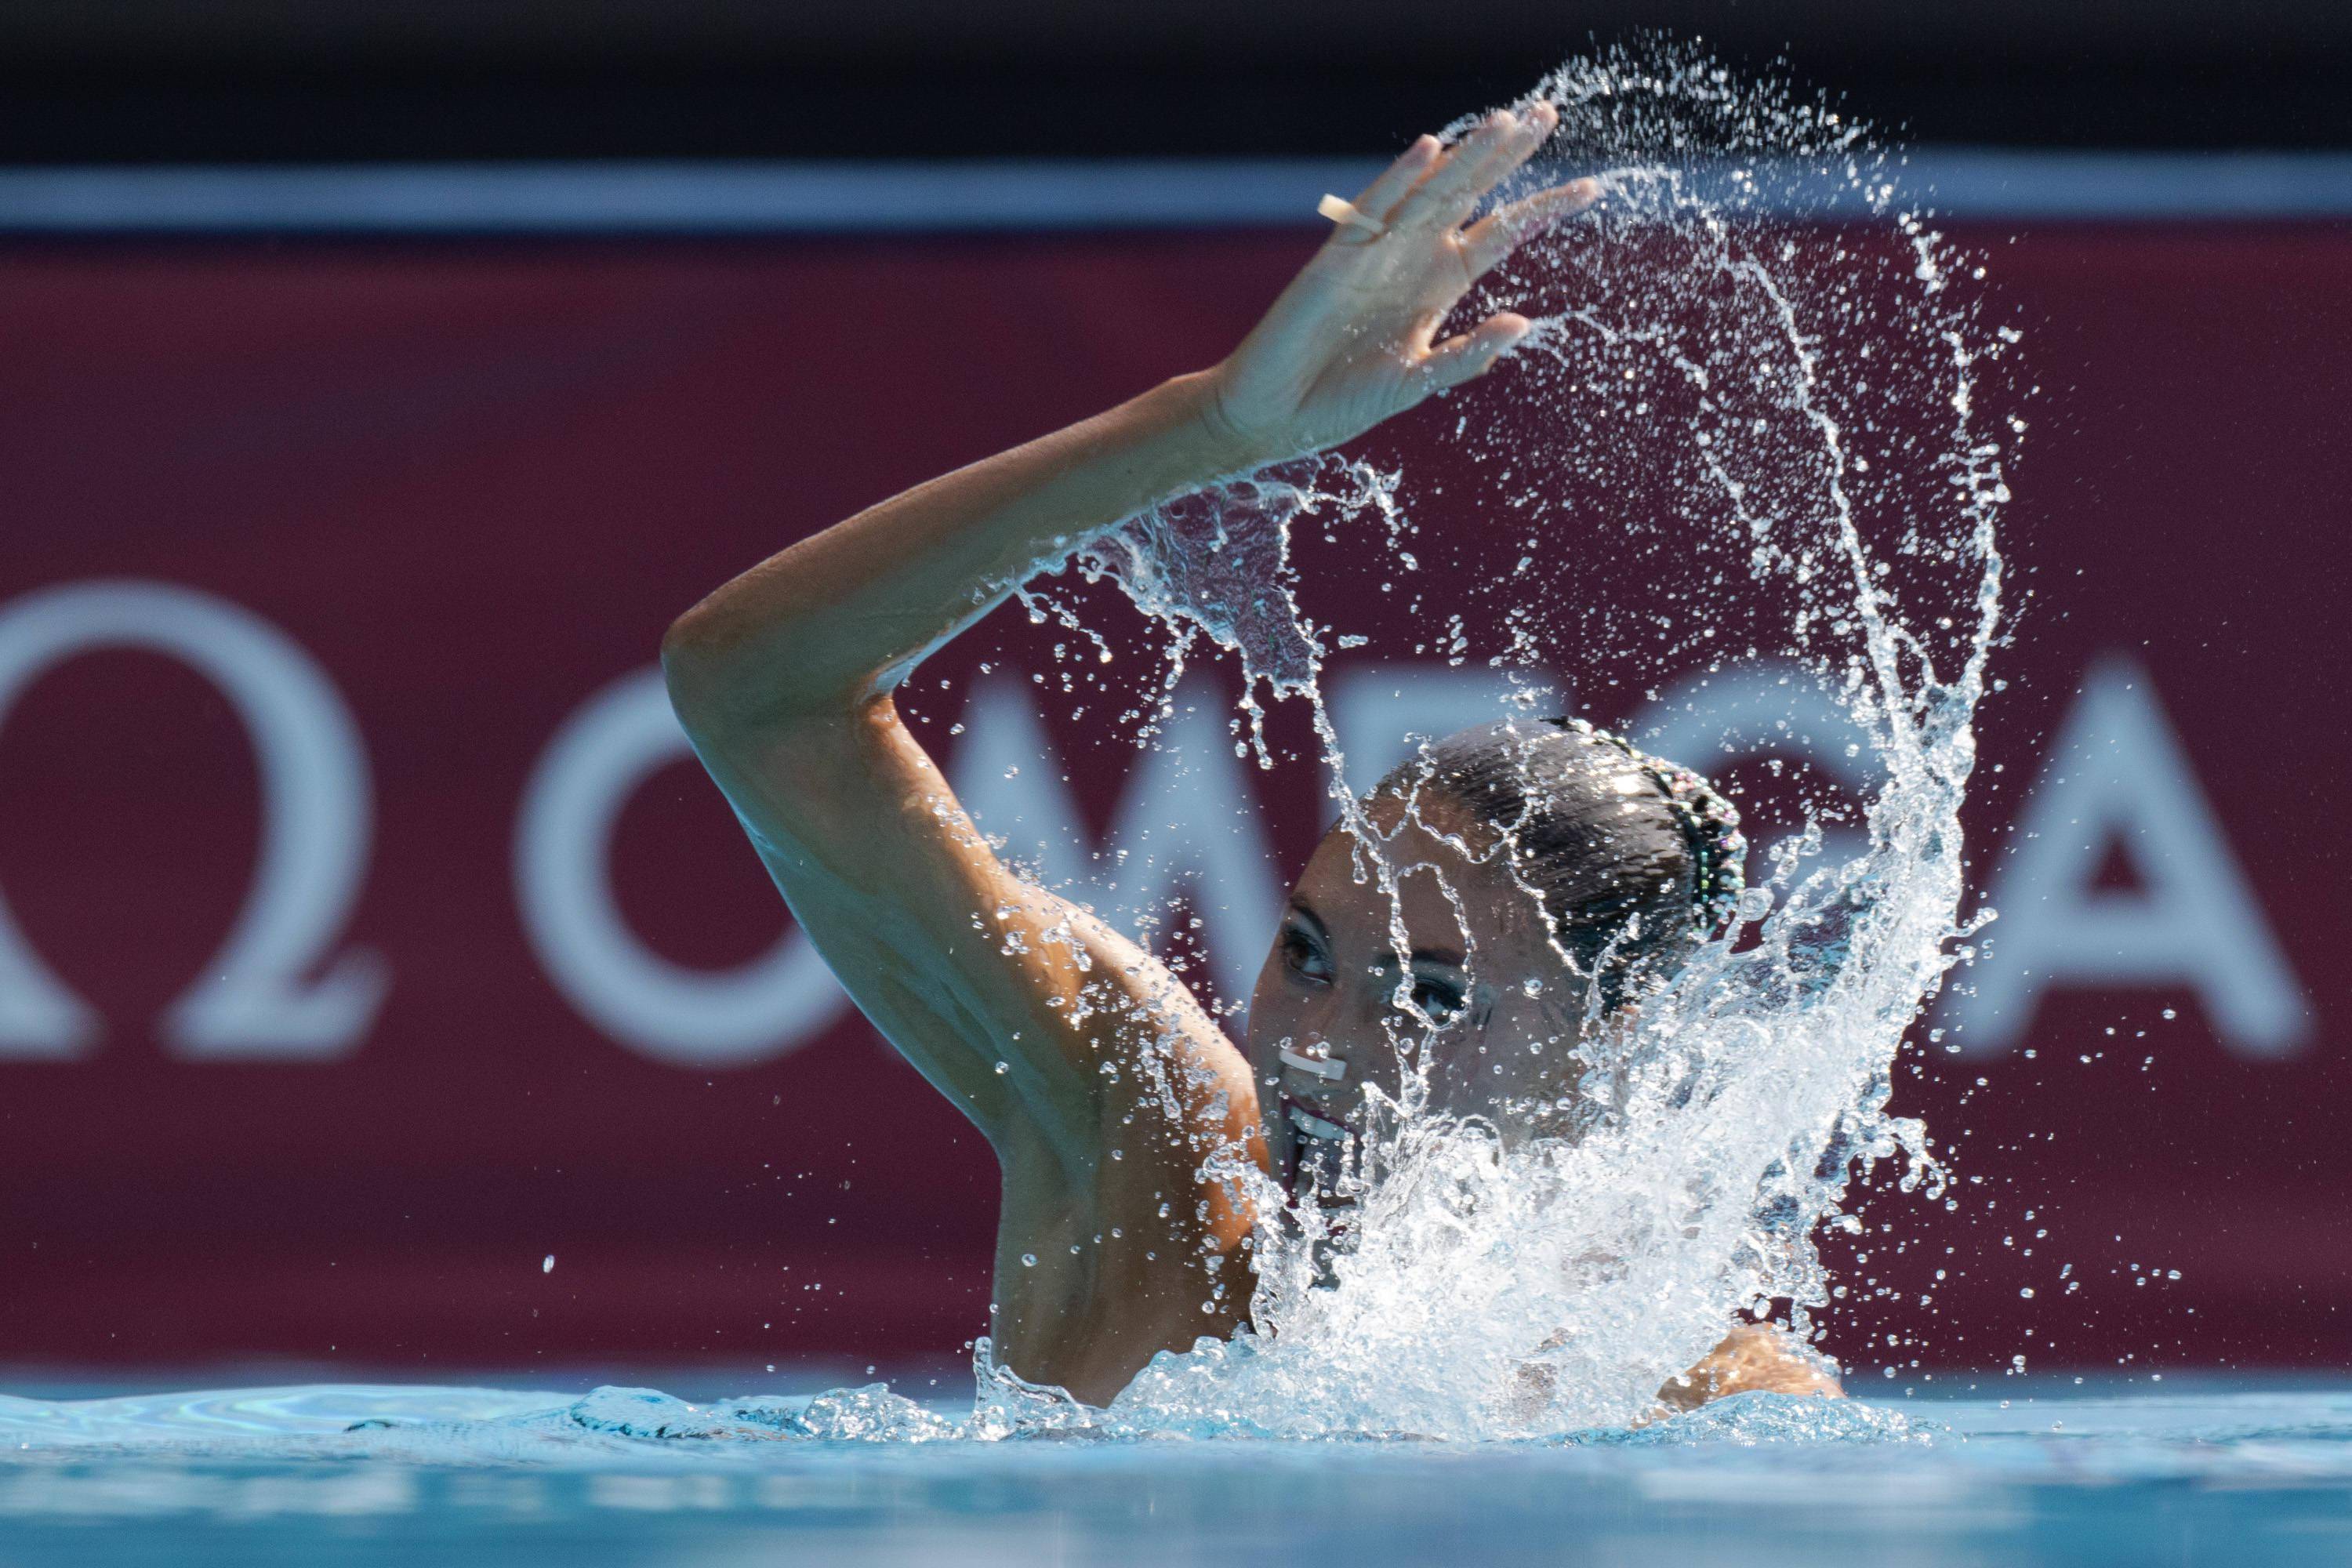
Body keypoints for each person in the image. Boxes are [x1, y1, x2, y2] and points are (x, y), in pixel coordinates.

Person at [660, 101, 1840, 1413]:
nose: (1322, 1046)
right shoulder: (1143, 1145)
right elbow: (757, 695)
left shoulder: (1710, 1402)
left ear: (1611, 1055)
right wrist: (1211, 433)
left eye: (1431, 999)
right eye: (1309, 955)